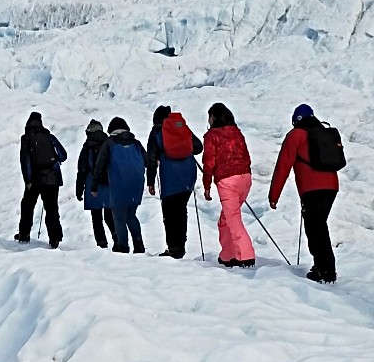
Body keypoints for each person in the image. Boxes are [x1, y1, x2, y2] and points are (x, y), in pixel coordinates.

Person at [269, 104, 340, 282]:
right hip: (331, 187)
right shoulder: (323, 134)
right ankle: (322, 266)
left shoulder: (296, 135)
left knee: (316, 230)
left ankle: (325, 271)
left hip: (312, 189)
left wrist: (274, 195)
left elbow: (283, 166)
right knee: (319, 227)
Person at [200, 102, 255, 267]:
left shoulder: (212, 136)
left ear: (213, 117)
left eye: (209, 116)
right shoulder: (237, 133)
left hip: (227, 181)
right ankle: (228, 255)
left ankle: (246, 256)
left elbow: (209, 162)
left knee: (232, 219)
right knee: (225, 220)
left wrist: (207, 185)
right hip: (245, 178)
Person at [145, 106, 201, 259]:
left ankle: (173, 248)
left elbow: (151, 159)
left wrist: (150, 181)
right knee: (181, 211)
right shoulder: (181, 128)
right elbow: (198, 147)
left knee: (169, 214)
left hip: (170, 178)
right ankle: (180, 247)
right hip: (188, 175)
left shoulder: (156, 132)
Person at [93, 117, 148, 254]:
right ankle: (139, 244)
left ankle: (122, 246)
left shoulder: (109, 143)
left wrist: (94, 185)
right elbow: (147, 161)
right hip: (136, 185)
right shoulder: (136, 143)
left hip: (118, 185)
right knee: (131, 215)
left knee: (118, 216)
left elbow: (99, 165)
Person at [16, 112, 67, 247]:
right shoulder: (49, 136)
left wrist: (28, 180)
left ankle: (24, 234)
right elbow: (63, 155)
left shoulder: (26, 139)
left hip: (35, 179)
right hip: (52, 179)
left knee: (27, 206)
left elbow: (25, 161)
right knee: (52, 209)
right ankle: (55, 238)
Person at [73, 119, 111, 249]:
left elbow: (82, 170)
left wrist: (79, 189)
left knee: (96, 218)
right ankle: (117, 238)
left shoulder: (87, 146)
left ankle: (101, 243)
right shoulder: (109, 144)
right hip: (108, 184)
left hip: (92, 185)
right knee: (109, 215)